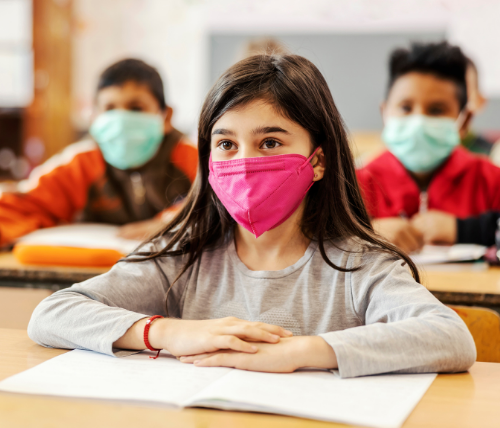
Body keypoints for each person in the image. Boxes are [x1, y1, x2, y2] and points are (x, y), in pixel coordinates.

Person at [28, 54, 475, 378]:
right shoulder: (184, 253)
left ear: (318, 162)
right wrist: (168, 333)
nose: (243, 162)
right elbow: (53, 313)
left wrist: (305, 351)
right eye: (225, 144)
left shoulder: (359, 263)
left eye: (270, 143)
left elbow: (450, 338)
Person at [0, 59, 197, 246]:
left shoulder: (195, 159)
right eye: (110, 109)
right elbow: (22, 205)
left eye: (136, 108)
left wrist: (174, 222)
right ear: (94, 118)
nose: (121, 120)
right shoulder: (80, 164)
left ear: (166, 117)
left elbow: (220, 204)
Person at [357, 42, 500, 253]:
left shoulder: (490, 181)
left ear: (465, 121)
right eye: (405, 107)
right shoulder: (356, 184)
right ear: (384, 112)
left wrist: (462, 230)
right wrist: (366, 232)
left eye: (436, 110)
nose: (418, 121)